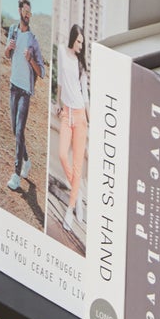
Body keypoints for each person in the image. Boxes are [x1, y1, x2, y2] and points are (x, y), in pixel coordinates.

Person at [2, 0, 46, 191]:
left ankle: (16, 174)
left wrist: (30, 59)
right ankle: (26, 160)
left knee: (19, 131)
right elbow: (6, 54)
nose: (28, 15)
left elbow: (42, 72)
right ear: (20, 11)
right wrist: (8, 49)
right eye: (25, 11)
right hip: (13, 86)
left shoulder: (33, 41)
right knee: (15, 130)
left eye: (30, 12)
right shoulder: (12, 31)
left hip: (25, 91)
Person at [56, 22, 90, 238]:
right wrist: (57, 100)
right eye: (78, 41)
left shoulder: (80, 65)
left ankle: (70, 209)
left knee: (78, 166)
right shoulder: (61, 51)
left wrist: (91, 121)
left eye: (82, 43)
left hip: (80, 117)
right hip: (66, 113)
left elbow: (85, 95)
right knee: (61, 154)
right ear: (72, 38)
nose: (80, 46)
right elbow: (59, 77)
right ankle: (77, 195)